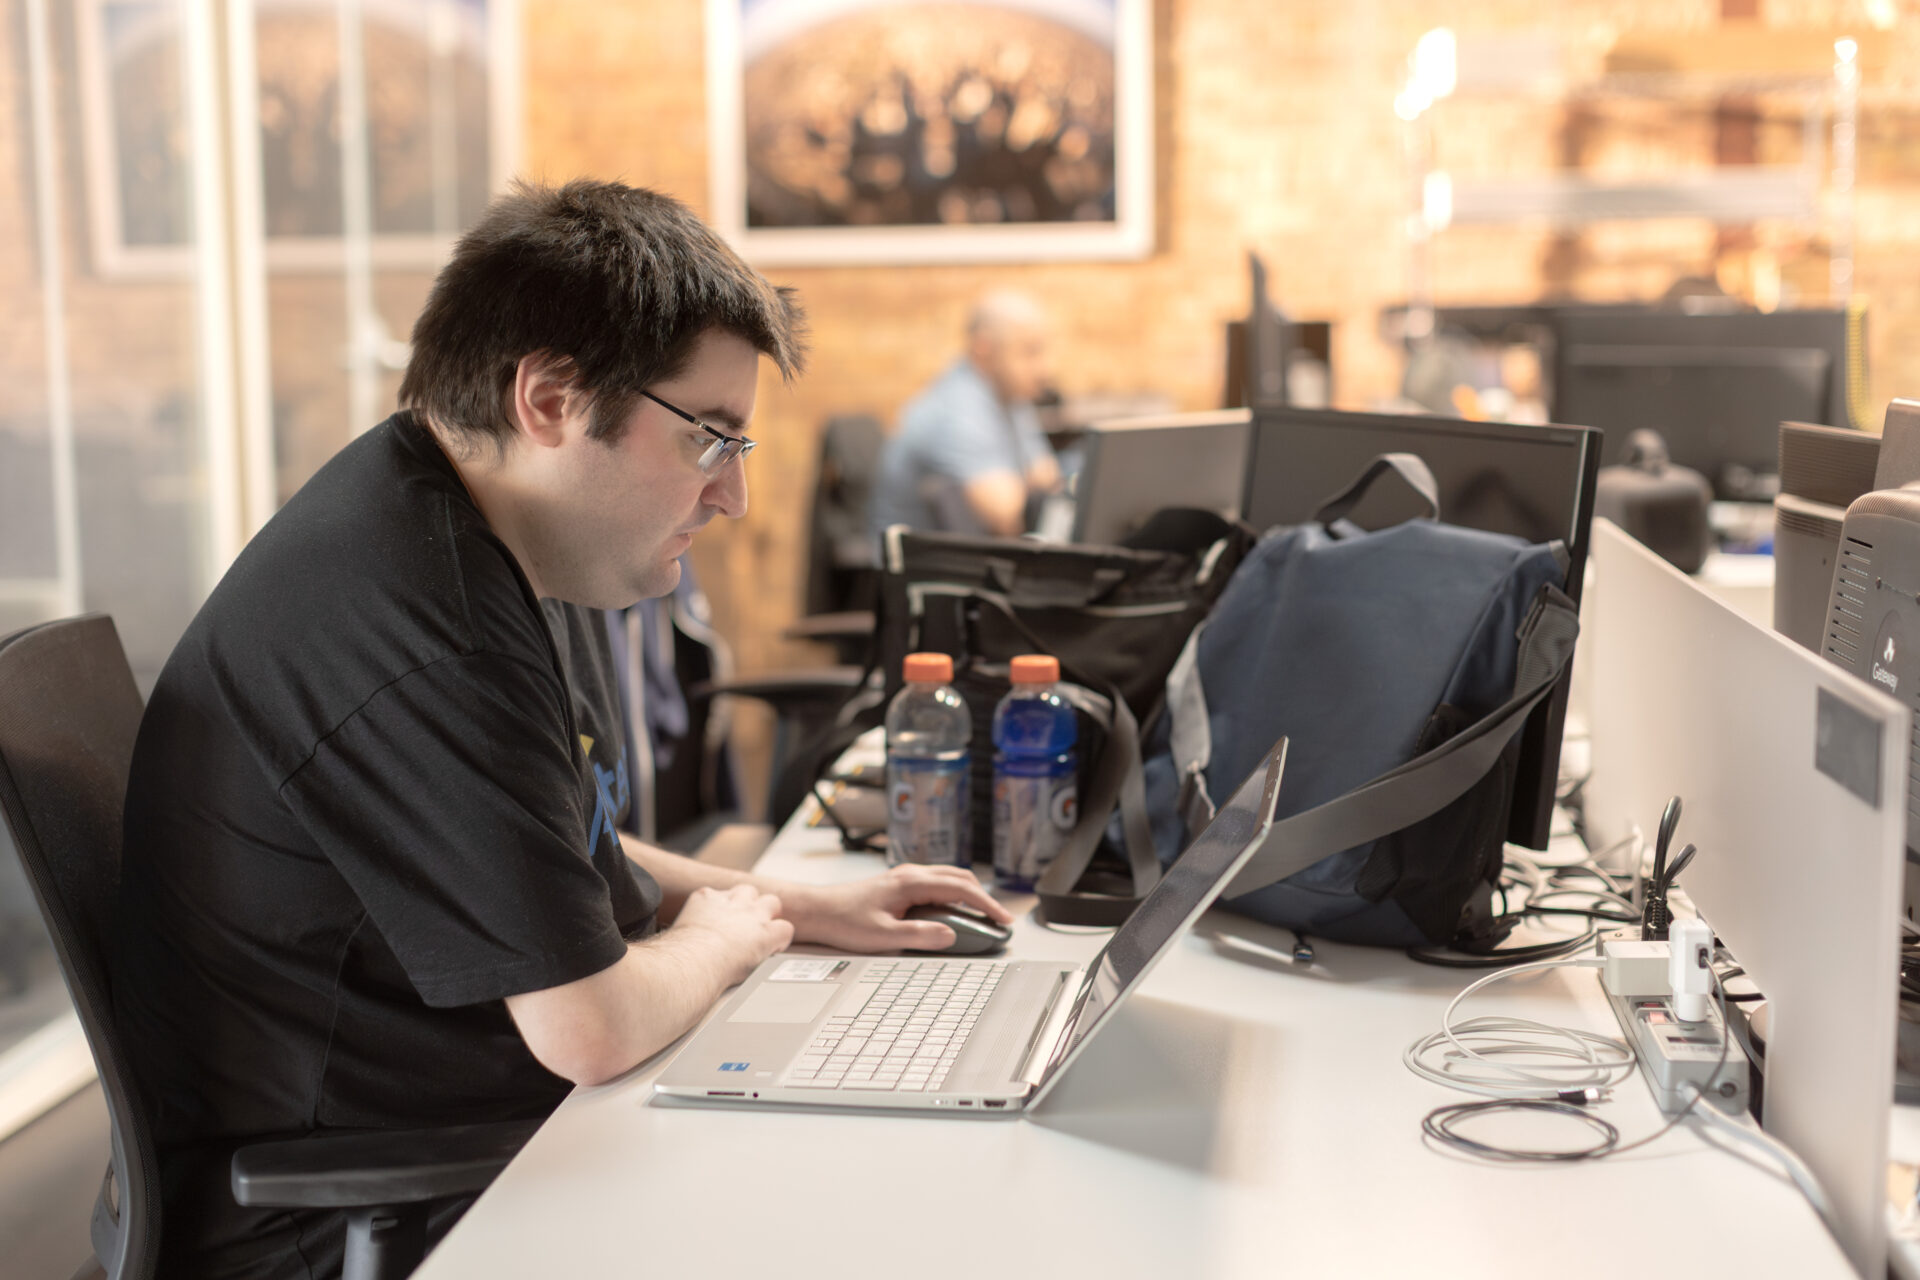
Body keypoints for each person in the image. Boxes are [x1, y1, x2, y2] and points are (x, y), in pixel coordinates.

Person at [111, 179, 1011, 1280]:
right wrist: (724, 939)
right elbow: (591, 1026)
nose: (730, 498)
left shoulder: (444, 524)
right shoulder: (428, 626)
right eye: (710, 440)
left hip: (460, 1136)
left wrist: (803, 905)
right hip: (358, 1212)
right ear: (548, 398)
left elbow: (546, 837)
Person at [870, 289, 1061, 536]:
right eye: (1028, 352)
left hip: (968, 552)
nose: (1044, 370)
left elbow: (1048, 478)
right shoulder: (955, 411)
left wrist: (1026, 486)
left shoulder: (1011, 396)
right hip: (920, 566)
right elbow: (1007, 518)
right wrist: (1030, 485)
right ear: (983, 348)